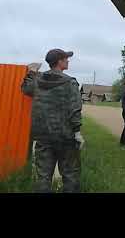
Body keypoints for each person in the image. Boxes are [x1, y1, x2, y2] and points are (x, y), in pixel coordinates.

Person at [21, 49, 84, 193]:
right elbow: (75, 109)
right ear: (60, 61)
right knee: (70, 176)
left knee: (43, 177)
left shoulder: (37, 80)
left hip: (43, 138)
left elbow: (25, 89)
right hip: (66, 138)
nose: (68, 61)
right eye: (66, 58)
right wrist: (77, 133)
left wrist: (31, 72)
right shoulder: (70, 83)